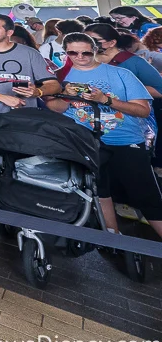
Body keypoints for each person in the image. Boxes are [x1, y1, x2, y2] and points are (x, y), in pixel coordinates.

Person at [44, 33, 162, 239]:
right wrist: (66, 97)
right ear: (66, 52)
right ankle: (112, 235)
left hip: (125, 140)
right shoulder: (60, 77)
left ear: (95, 50)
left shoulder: (121, 74)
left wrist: (105, 100)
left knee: (145, 193)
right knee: (99, 190)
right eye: (73, 52)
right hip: (86, 141)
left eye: (86, 52)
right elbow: (56, 107)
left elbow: (142, 110)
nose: (80, 57)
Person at [0, 14, 60, 172]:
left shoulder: (29, 53)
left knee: (23, 157)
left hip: (23, 117)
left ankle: (18, 191)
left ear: (9, 32)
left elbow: (53, 84)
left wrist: (38, 91)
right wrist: (4, 98)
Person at [85, 22, 162, 99]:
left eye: (93, 40)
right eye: (83, 39)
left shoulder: (134, 62)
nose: (84, 44)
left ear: (112, 42)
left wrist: (122, 87)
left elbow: (159, 91)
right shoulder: (80, 61)